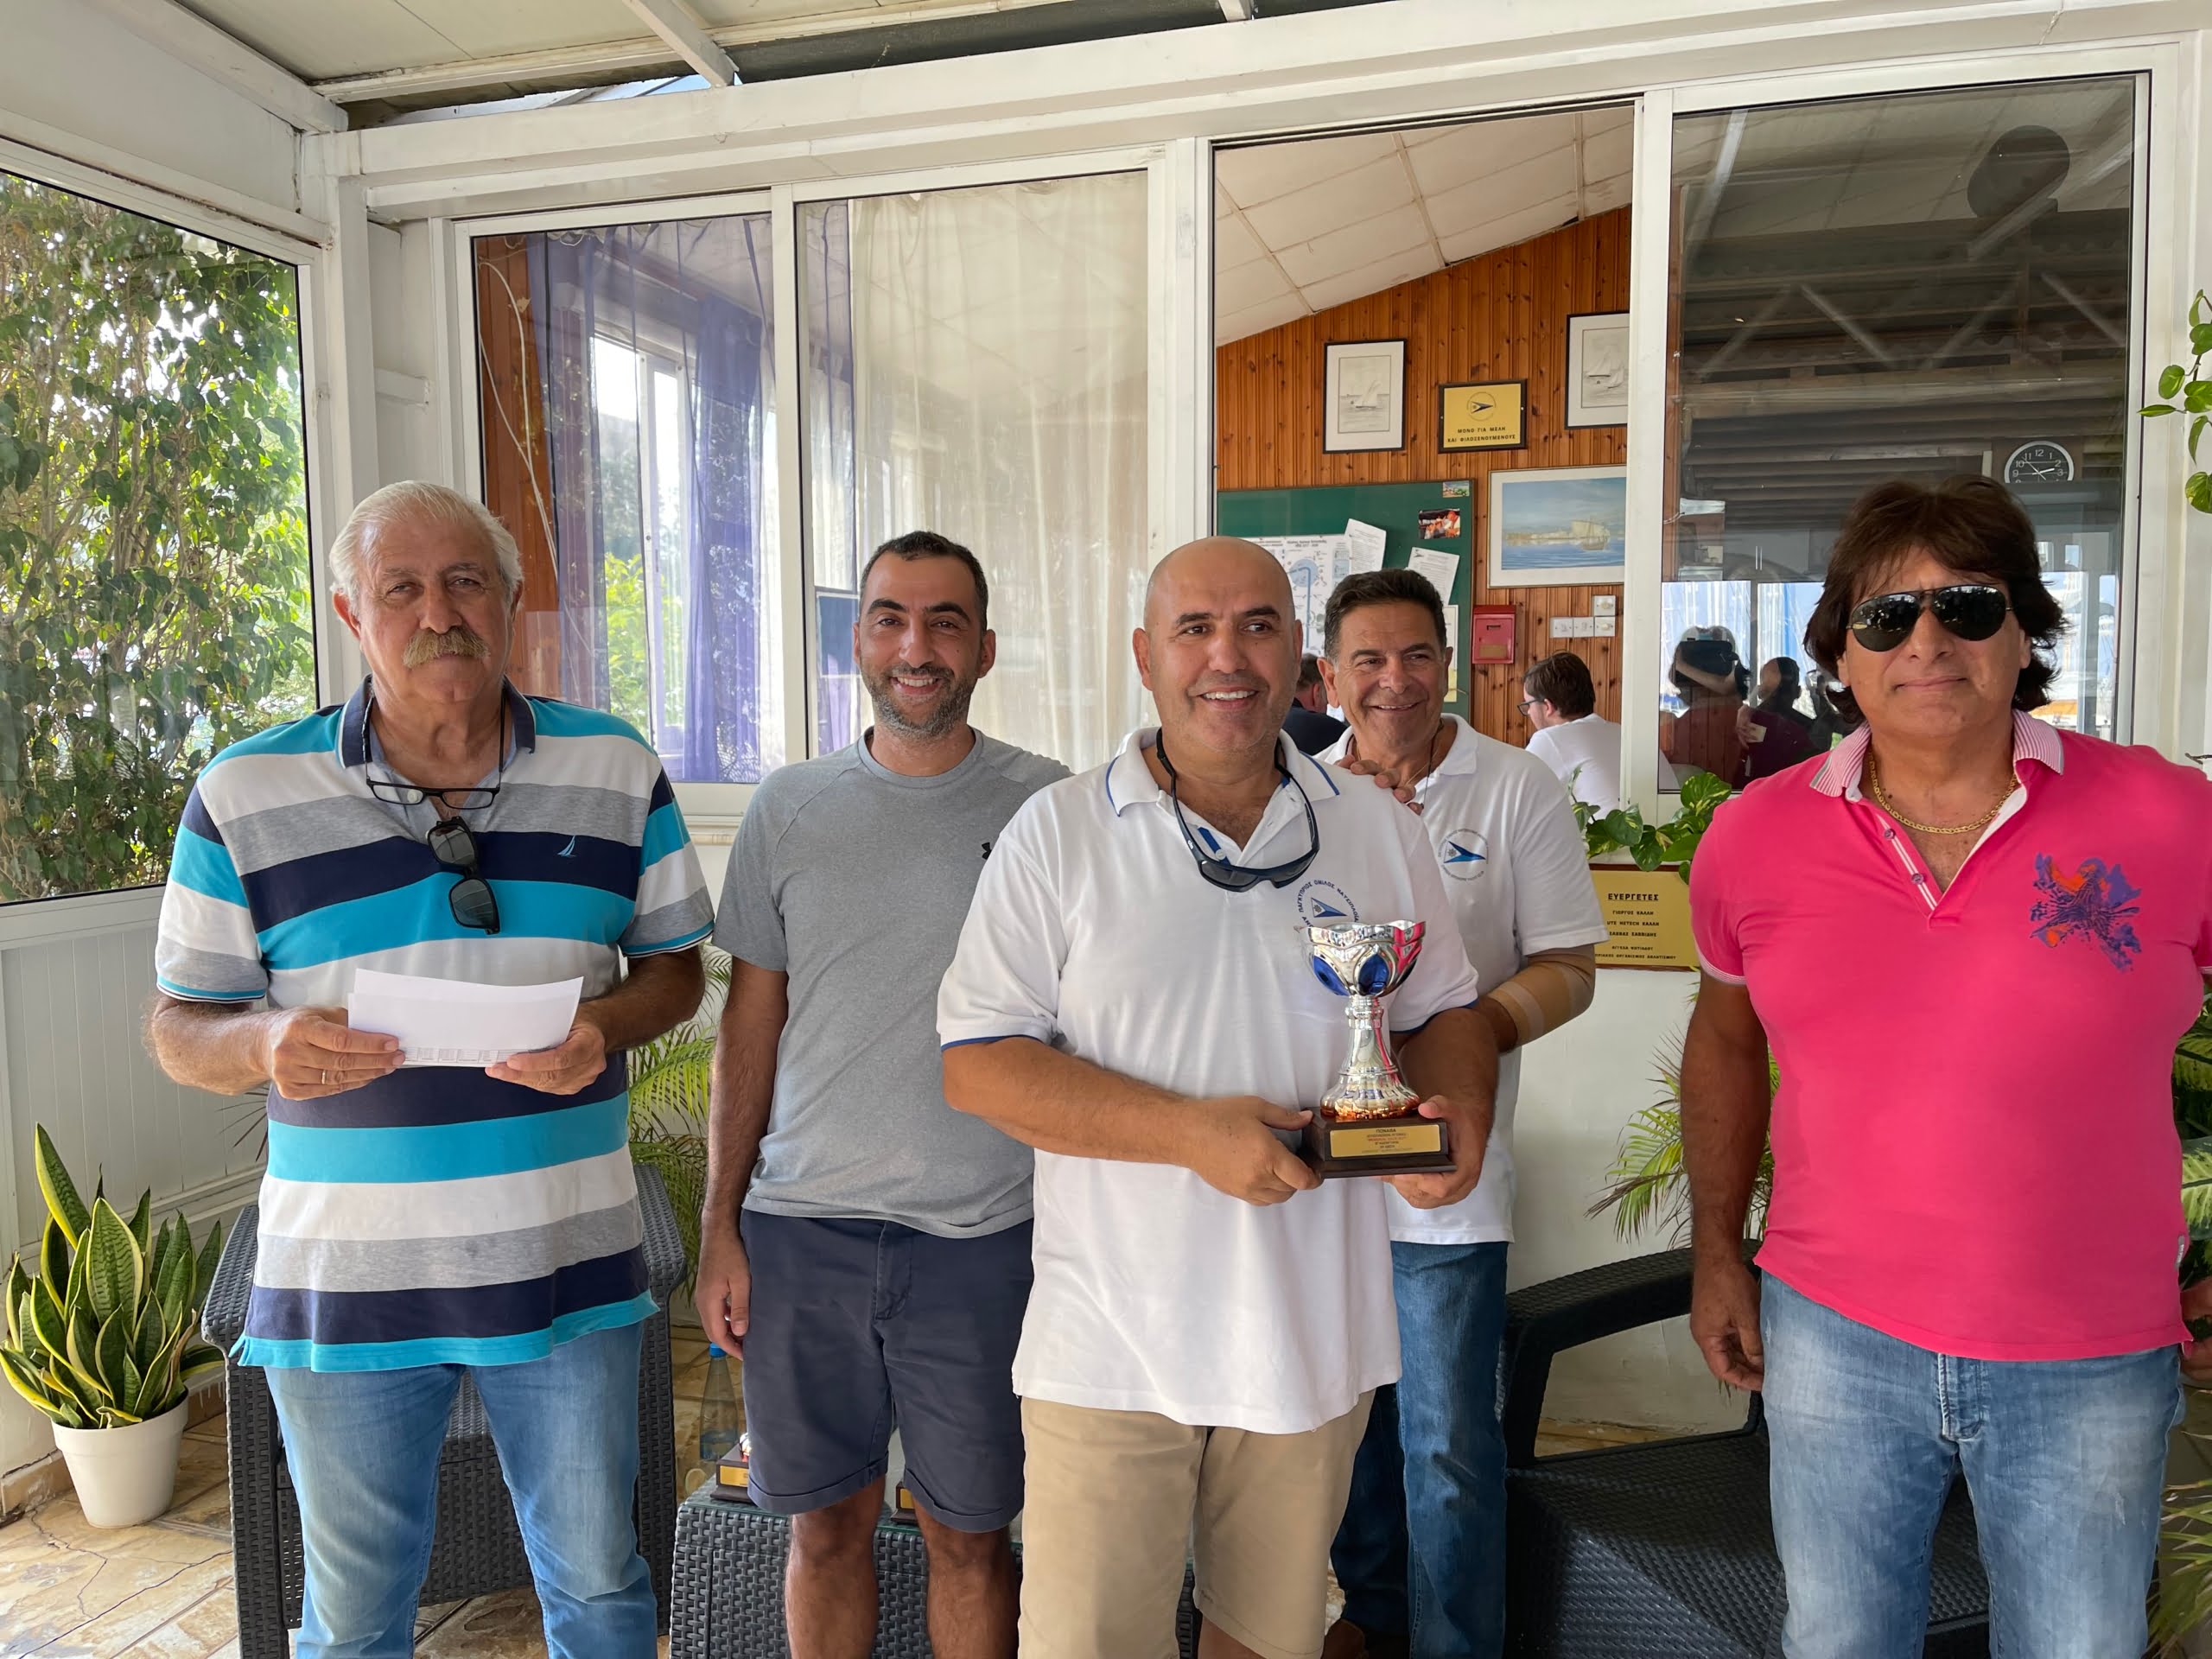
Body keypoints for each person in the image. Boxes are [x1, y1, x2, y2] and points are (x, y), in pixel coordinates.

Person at [145, 481, 711, 1659]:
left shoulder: (614, 768)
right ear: (353, 614)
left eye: (465, 582)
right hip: (345, 1282)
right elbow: (179, 1028)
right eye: (401, 588)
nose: (438, 613)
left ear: (511, 599)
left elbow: (674, 971)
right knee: (354, 1618)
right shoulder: (244, 792)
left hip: (567, 1265)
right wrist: (263, 1044)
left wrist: (604, 1028)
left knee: (601, 1588)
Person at [937, 537, 1497, 1659]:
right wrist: (1189, 1135)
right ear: (1145, 657)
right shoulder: (1059, 833)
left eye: (1257, 625)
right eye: (1193, 629)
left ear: (1299, 660)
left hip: (1307, 1334)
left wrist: (1455, 1120)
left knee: (1270, 1641)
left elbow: (1446, 1012)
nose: (1225, 657)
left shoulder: (1380, 828)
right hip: (1110, 1344)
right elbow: (978, 1062)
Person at [1682, 475, 2212, 1659]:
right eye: (1886, 616)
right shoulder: (1752, 835)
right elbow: (1724, 1040)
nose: (1925, 641)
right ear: (1842, 656)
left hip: (2090, 1349)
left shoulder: (2171, 817)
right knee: (1838, 1643)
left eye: (1966, 606)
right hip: (1834, 1338)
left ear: (2025, 633)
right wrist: (1718, 1250)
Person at [695, 531, 1065, 1659]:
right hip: (802, 1234)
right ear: (856, 641)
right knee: (822, 1532)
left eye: (946, 621)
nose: (917, 646)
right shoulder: (789, 808)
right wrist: (720, 1226)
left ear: (985, 649)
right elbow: (748, 1031)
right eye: (891, 619)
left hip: (984, 1240)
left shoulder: (1051, 809)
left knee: (972, 1540)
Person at [1314, 574, 1607, 1659]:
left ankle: (1455, 1643)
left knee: (1444, 1444)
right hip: (1320, 1182)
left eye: (1415, 656)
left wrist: (1466, 1033)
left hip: (1450, 1176)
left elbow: (1569, 968)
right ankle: (1372, 1619)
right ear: (1330, 675)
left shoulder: (1517, 786)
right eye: (1368, 660)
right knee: (1343, 1430)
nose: (1393, 681)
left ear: (1449, 665)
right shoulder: (1294, 795)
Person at [1519, 650, 1672, 811]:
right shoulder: (1625, 734)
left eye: (1528, 705)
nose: (1528, 712)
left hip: (1615, 829)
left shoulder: (1549, 739)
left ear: (1547, 706)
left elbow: (1515, 803)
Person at [1285, 652, 1348, 754]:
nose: (1326, 710)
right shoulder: (1327, 728)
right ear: (1317, 692)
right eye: (1326, 702)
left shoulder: (1268, 720)